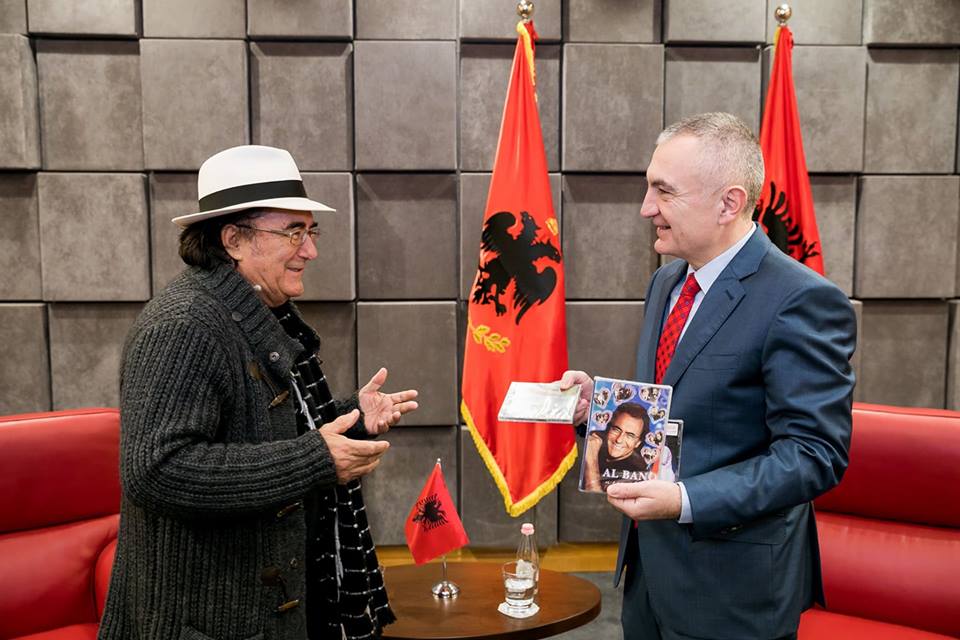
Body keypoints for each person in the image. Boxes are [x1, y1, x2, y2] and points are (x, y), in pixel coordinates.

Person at [98, 145, 418, 640]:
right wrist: (315, 459)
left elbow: (260, 433)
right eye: (293, 232)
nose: (310, 251)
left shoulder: (255, 315)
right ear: (233, 240)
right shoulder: (183, 325)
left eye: (311, 232)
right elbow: (157, 470)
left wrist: (350, 415)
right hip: (200, 625)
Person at [561, 113, 856, 640]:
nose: (646, 208)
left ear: (729, 203)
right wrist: (597, 412)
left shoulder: (801, 300)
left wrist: (686, 500)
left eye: (664, 191)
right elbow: (674, 413)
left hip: (734, 593)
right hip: (649, 579)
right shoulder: (666, 283)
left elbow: (814, 455)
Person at [582, 402, 655, 491]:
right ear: (609, 428)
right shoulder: (593, 441)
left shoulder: (638, 472)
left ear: (638, 443)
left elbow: (595, 495)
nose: (619, 440)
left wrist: (591, 461)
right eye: (616, 430)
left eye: (630, 435)